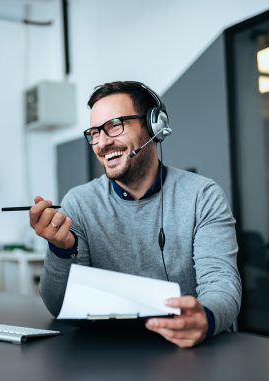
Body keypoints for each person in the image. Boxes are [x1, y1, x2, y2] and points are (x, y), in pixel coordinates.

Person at [29, 81, 241, 348]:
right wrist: (61, 250)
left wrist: (205, 318)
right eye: (94, 132)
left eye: (114, 125)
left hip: (187, 349)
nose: (102, 142)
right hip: (109, 355)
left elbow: (221, 284)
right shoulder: (79, 203)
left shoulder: (203, 195)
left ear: (155, 126)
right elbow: (60, 307)